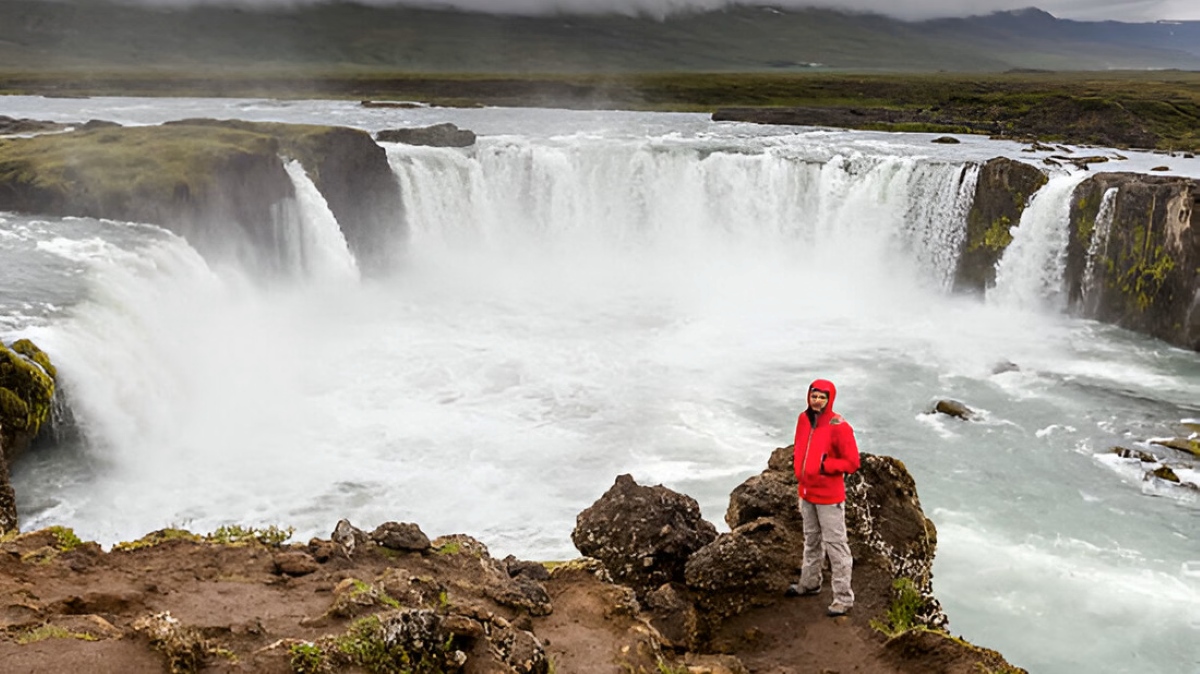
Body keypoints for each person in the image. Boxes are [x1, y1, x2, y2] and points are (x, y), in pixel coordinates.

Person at [788, 378, 861, 617]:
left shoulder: (839, 425)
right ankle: (809, 583)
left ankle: (843, 598)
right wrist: (799, 468)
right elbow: (800, 447)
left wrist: (824, 465)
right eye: (814, 395)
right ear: (808, 396)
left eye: (822, 397)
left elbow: (852, 463)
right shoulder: (803, 419)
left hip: (829, 497)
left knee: (836, 546)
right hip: (806, 491)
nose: (817, 400)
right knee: (811, 540)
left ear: (830, 399)